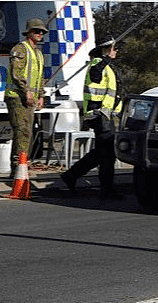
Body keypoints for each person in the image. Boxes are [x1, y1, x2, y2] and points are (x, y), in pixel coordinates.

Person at [60, 37, 123, 199]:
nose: (116, 52)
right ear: (105, 50)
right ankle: (107, 191)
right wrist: (106, 59)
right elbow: (95, 75)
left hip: (104, 115)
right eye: (113, 49)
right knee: (108, 155)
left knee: (101, 153)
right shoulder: (97, 63)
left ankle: (71, 175)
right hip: (100, 115)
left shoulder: (106, 65)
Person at [5, 17, 48, 172]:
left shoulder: (38, 53)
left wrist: (41, 95)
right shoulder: (21, 49)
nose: (39, 34)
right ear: (28, 32)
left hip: (29, 99)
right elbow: (16, 73)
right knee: (22, 131)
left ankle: (23, 164)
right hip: (17, 97)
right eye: (36, 31)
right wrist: (26, 91)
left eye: (41, 32)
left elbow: (40, 76)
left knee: (28, 133)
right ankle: (17, 166)